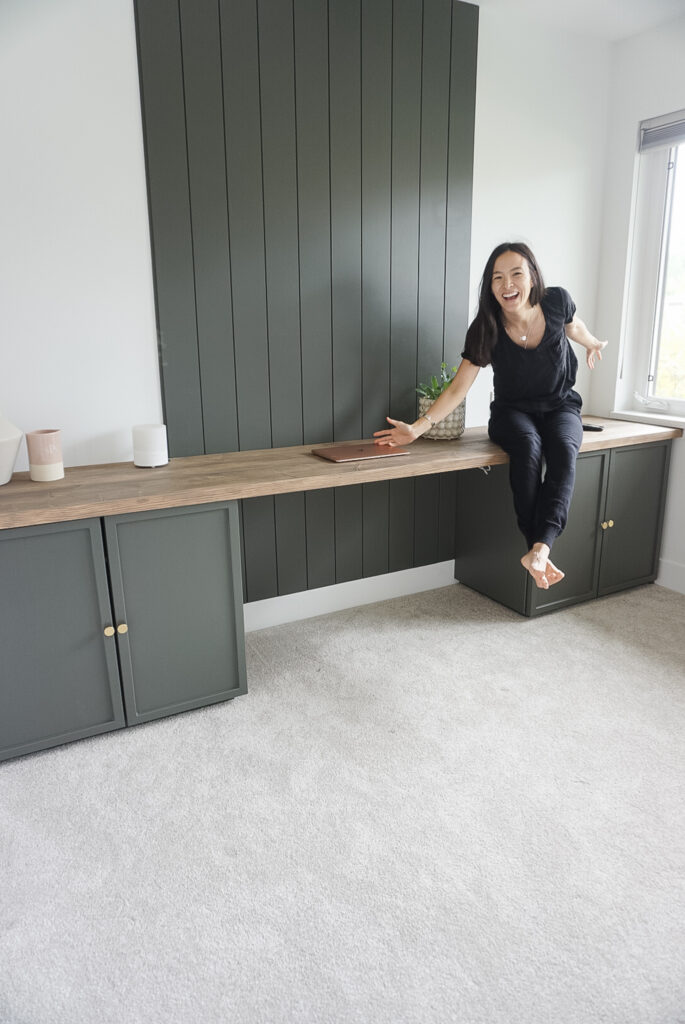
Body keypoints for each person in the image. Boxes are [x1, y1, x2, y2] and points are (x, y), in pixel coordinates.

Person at [373, 241, 608, 590]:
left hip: (561, 405)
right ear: (490, 285)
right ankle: (539, 548)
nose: (506, 284)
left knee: (563, 449)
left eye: (515, 273)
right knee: (527, 449)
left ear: (532, 277)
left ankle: (539, 550)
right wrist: (418, 429)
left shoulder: (557, 301)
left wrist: (591, 342)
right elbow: (457, 388)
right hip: (513, 413)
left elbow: (574, 326)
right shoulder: (486, 327)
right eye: (497, 277)